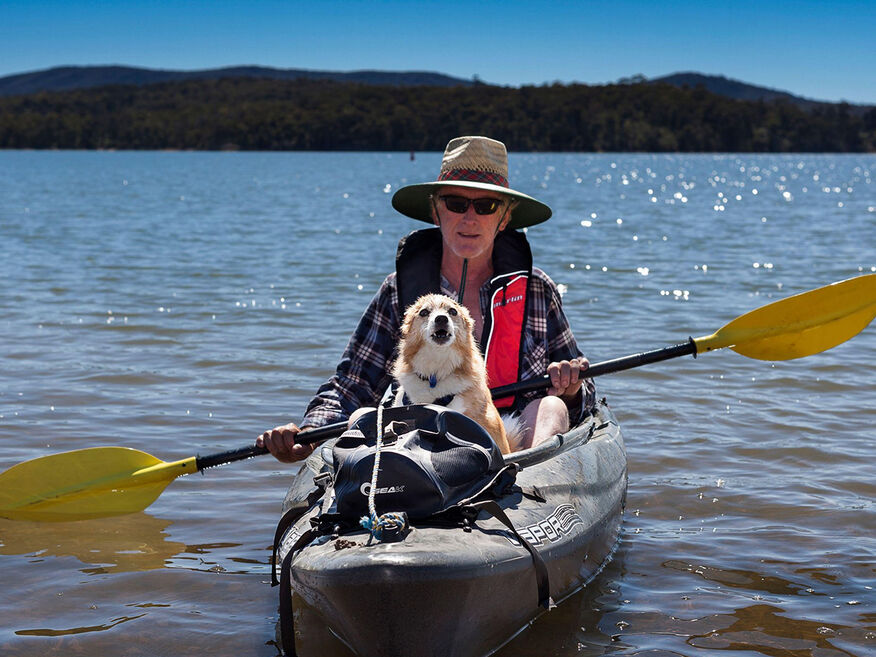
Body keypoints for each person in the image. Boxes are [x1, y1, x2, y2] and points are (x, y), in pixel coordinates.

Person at [259, 136, 594, 462]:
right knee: (360, 416)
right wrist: (307, 432)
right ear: (436, 211)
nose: (469, 218)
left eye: (486, 206)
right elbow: (353, 383)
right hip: (418, 439)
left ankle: (523, 493)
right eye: (456, 204)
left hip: (512, 442)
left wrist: (570, 385)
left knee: (551, 407)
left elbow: (586, 393)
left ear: (505, 217)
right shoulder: (397, 292)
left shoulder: (537, 289)